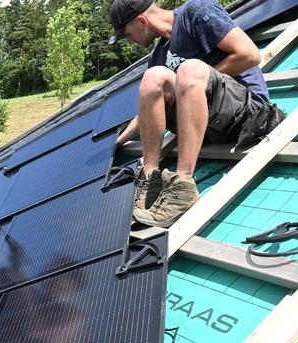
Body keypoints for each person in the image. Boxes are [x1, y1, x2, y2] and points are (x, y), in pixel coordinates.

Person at [109, 0, 269, 227]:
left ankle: (183, 184)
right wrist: (119, 140)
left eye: (128, 33)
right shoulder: (158, 55)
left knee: (188, 70)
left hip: (246, 115)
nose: (129, 40)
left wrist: (187, 84)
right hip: (203, 127)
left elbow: (250, 55)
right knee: (153, 77)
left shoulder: (196, 12)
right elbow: (147, 112)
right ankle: (150, 178)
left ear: (142, 21)